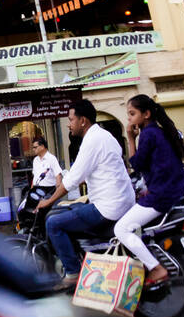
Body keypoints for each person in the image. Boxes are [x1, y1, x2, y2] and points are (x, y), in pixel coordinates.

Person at [37, 100, 135, 290]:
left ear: (83, 121)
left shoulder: (92, 140)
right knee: (70, 208)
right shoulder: (104, 135)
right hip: (120, 201)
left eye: (71, 119)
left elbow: (73, 178)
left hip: (108, 207)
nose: (68, 124)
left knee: (53, 222)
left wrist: (49, 201)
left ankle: (73, 272)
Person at [116, 94, 184, 288]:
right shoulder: (159, 131)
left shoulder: (147, 134)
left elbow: (137, 164)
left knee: (121, 229)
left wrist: (130, 139)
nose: (129, 119)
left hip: (163, 195)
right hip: (175, 190)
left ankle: (156, 268)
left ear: (146, 114)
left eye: (132, 114)